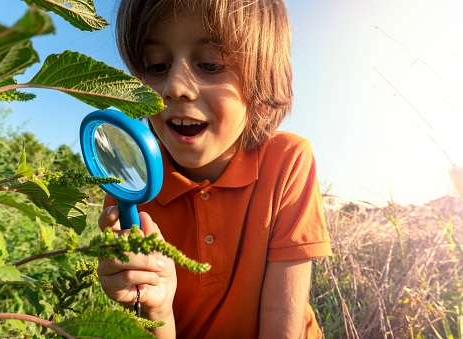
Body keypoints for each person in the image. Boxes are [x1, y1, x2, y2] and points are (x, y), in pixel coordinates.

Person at [97, 0, 332, 338]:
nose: (175, 86)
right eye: (157, 65)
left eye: (210, 64)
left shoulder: (288, 160)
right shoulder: (128, 187)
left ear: (261, 82)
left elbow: (284, 316)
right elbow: (150, 323)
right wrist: (155, 308)